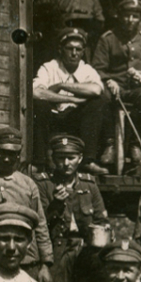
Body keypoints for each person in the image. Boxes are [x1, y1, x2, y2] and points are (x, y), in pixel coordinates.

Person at [33, 134, 109, 282]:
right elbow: (39, 224)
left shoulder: (89, 184)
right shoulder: (43, 184)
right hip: (58, 249)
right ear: (53, 159)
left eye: (71, 158)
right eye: (61, 158)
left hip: (86, 249)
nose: (66, 163)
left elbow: (101, 219)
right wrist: (56, 206)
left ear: (80, 159)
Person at [0, 127, 54, 282]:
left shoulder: (28, 184)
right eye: (2, 153)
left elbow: (40, 225)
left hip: (27, 263)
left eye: (13, 154)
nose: (8, 159)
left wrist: (45, 264)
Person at [92, 0, 141, 168]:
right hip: (113, 89)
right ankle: (110, 144)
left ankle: (135, 144)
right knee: (101, 95)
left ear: (140, 18)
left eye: (135, 16)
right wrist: (108, 80)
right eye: (126, 16)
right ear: (119, 16)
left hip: (136, 91)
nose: (130, 20)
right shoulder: (107, 39)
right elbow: (96, 69)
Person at [32, 28, 110, 174]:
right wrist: (70, 98)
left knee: (97, 102)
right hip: (53, 116)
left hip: (76, 119)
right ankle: (40, 162)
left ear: (83, 51)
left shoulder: (87, 70)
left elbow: (96, 90)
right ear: (61, 49)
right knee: (39, 105)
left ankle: (87, 161)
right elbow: (36, 92)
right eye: (70, 48)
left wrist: (62, 86)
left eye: (78, 49)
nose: (74, 53)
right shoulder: (49, 67)